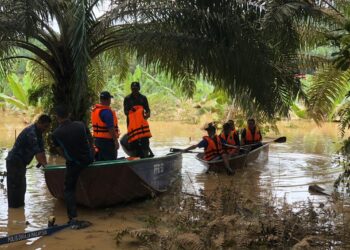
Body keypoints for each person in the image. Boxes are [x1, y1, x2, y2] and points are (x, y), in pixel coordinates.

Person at [52, 105, 93, 229]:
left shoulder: (56, 133)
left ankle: (73, 218)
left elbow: (59, 150)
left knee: (68, 189)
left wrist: (68, 158)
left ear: (57, 117)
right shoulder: (80, 125)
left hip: (74, 164)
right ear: (69, 114)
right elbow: (90, 139)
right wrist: (91, 153)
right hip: (88, 159)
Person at [5, 114, 51, 208]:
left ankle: (19, 211)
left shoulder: (39, 134)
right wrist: (46, 168)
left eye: (48, 127)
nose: (46, 129)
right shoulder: (31, 132)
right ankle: (13, 213)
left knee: (22, 187)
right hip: (14, 162)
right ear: (39, 123)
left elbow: (42, 151)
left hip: (21, 163)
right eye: (45, 126)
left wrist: (46, 165)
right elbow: (38, 154)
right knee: (15, 188)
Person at [123, 82, 152, 158]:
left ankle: (145, 156)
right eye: (133, 89)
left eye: (136, 89)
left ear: (139, 89)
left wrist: (148, 114)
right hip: (132, 125)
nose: (134, 90)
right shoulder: (127, 99)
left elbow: (148, 110)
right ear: (131, 89)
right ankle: (135, 158)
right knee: (133, 143)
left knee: (145, 142)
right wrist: (132, 111)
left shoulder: (143, 98)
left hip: (142, 125)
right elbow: (125, 112)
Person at [91, 91, 120, 161]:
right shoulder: (106, 112)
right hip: (107, 142)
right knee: (111, 161)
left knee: (100, 161)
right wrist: (115, 141)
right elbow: (111, 128)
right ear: (108, 100)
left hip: (97, 141)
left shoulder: (95, 110)